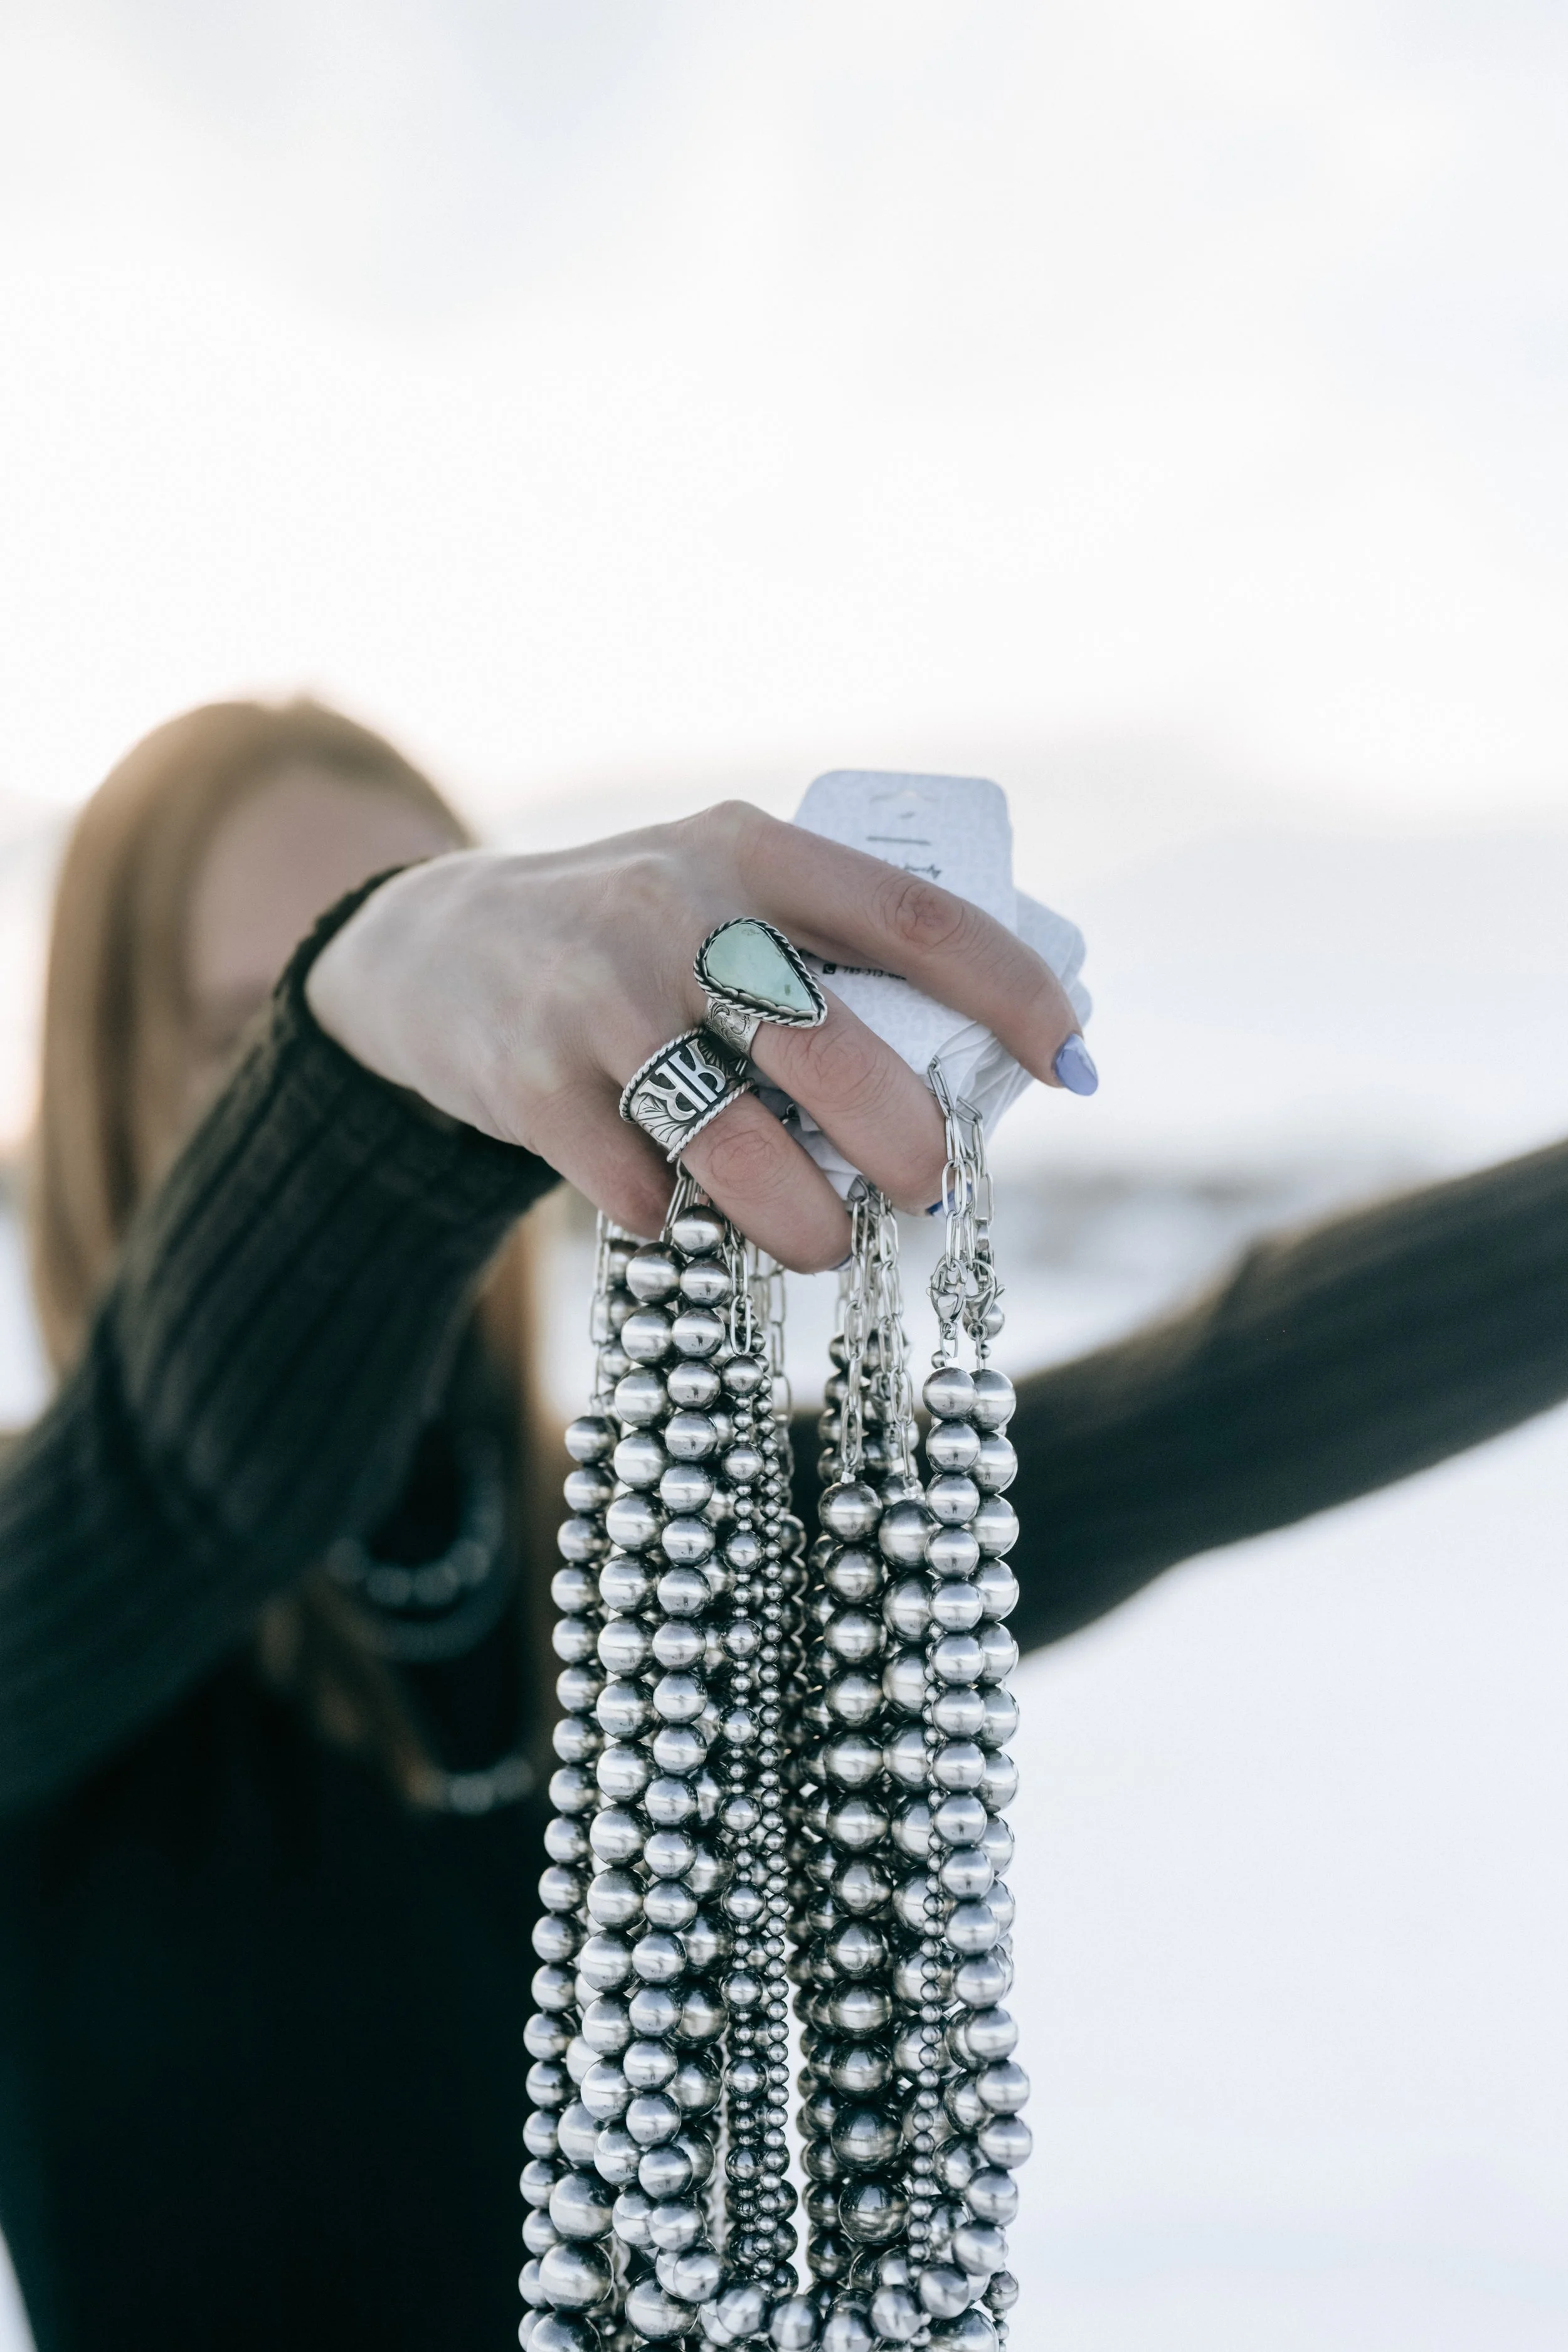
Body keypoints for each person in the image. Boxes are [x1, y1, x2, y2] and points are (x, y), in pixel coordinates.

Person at [4, 699, 1568, 2351]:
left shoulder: (689, 1553)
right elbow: (190, 1479)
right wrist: (364, 1025)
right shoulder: (47, 1581)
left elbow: (1216, 1400)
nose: (425, 1088)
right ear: (109, 1087)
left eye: (408, 1020)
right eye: (245, 1038)